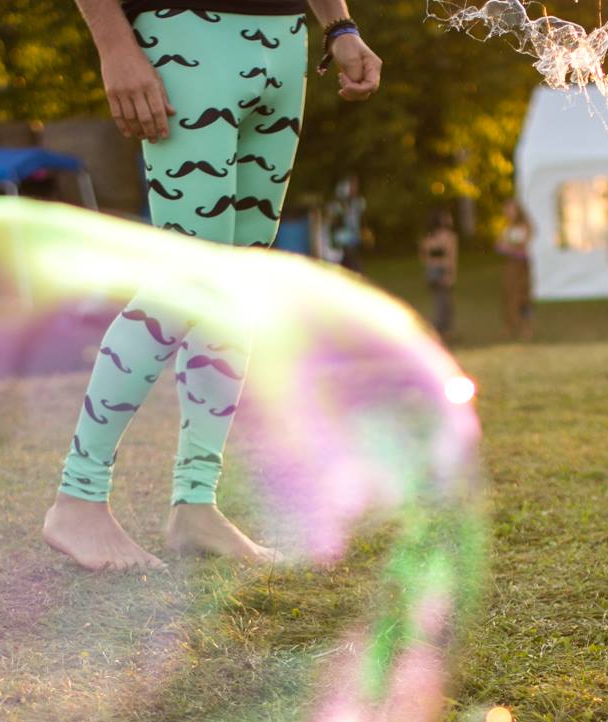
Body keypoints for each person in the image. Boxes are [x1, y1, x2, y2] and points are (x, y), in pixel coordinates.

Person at [49, 0, 382, 570]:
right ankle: (78, 500)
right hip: (185, 33)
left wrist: (339, 25)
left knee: (235, 285)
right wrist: (114, 45)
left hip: (285, 43)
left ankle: (196, 505)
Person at [497, 199, 534, 342]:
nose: (508, 212)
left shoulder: (525, 226)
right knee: (508, 295)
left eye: (511, 209)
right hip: (510, 265)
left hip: (521, 266)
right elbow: (500, 245)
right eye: (506, 209)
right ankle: (510, 325)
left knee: (523, 296)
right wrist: (509, 247)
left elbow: (521, 246)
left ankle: (526, 327)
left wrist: (509, 247)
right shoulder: (507, 227)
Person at [420, 207, 459, 342]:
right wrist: (450, 274)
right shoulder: (449, 237)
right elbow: (451, 258)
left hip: (432, 272)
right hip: (442, 271)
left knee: (438, 302)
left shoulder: (429, 237)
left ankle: (440, 330)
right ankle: (443, 331)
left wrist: (432, 264)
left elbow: (424, 255)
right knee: (445, 303)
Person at [328, 175, 366, 273]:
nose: (354, 188)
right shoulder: (336, 206)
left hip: (352, 240)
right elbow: (332, 220)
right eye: (351, 186)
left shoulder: (358, 203)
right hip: (342, 241)